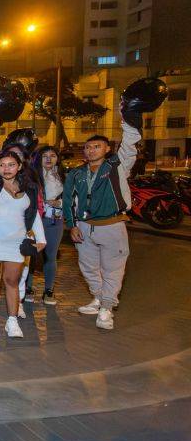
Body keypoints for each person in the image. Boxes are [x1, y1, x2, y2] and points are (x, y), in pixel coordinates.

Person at [63, 120, 140, 330]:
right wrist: (72, 225)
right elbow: (68, 200)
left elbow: (129, 146)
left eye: (97, 146)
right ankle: (98, 299)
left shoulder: (117, 167)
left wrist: (128, 122)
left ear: (107, 149)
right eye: (87, 147)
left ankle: (107, 308)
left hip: (112, 226)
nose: (91, 150)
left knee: (112, 269)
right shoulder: (76, 173)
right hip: (84, 227)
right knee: (87, 267)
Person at [0, 147, 46, 338]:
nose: (6, 169)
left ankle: (12, 321)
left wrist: (41, 239)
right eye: (1, 165)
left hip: (16, 242)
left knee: (12, 281)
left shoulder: (29, 188)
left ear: (19, 167)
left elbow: (33, 215)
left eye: (11, 165)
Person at [27, 146, 65, 305]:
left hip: (54, 221)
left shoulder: (63, 176)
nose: (49, 159)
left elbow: (73, 198)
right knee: (30, 255)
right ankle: (27, 288)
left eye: (53, 155)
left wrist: (60, 202)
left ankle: (48, 290)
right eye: (45, 156)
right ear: (38, 159)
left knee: (51, 256)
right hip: (35, 221)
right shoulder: (31, 176)